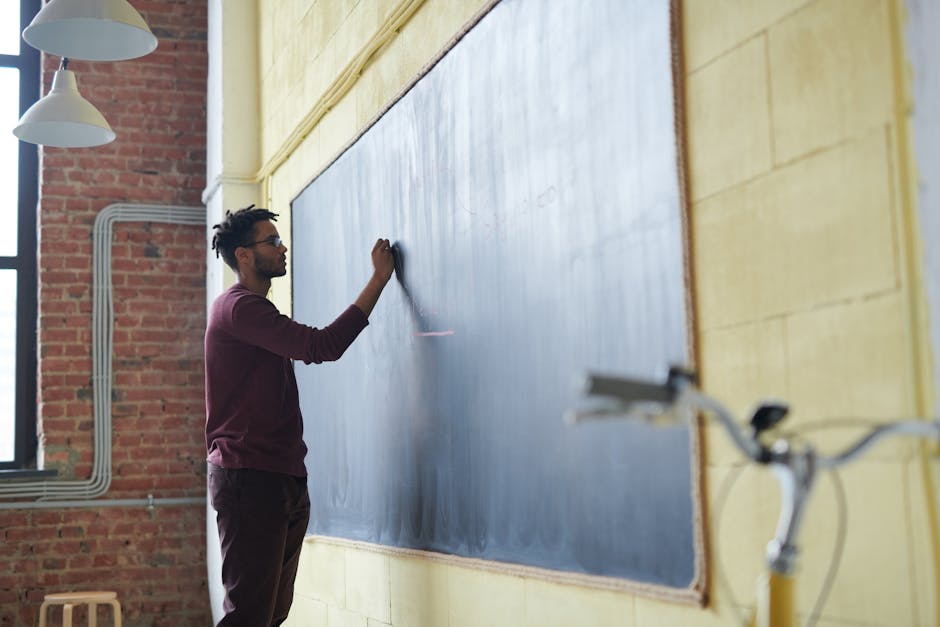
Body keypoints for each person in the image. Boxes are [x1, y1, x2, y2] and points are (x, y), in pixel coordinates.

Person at [204, 205, 394, 625]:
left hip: (278, 477)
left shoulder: (254, 312)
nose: (282, 246)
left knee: (270, 616)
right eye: (271, 241)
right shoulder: (240, 309)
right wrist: (378, 280)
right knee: (249, 617)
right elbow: (321, 346)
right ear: (245, 256)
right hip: (250, 477)